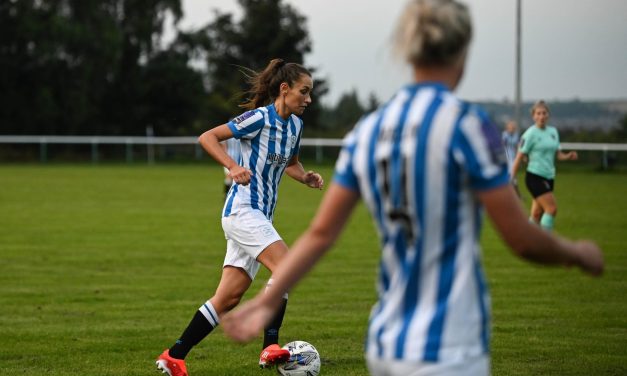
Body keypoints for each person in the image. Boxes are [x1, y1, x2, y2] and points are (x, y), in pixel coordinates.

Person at [220, 1, 604, 376]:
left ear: (406, 52)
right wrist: (577, 252)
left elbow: (320, 235)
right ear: (462, 53)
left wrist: (261, 306)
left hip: (387, 340)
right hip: (451, 342)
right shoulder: (469, 126)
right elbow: (521, 237)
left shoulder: (368, 131)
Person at [156, 58, 324, 376]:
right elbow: (207, 137)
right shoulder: (258, 118)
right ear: (285, 89)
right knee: (286, 267)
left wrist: (305, 178)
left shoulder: (297, 126)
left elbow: (290, 163)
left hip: (260, 217)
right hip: (242, 210)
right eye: (304, 91)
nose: (309, 99)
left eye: (310, 93)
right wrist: (233, 167)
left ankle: (174, 356)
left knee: (229, 297)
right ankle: (269, 347)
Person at [510, 100, 578, 231]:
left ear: (548, 115)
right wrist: (510, 178)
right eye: (538, 113)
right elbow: (519, 157)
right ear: (533, 116)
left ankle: (528, 240)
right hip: (534, 177)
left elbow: (558, 155)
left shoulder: (553, 132)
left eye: (544, 113)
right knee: (551, 209)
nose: (541, 116)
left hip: (549, 177)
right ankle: (547, 246)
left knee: (536, 214)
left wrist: (568, 156)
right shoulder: (530, 134)